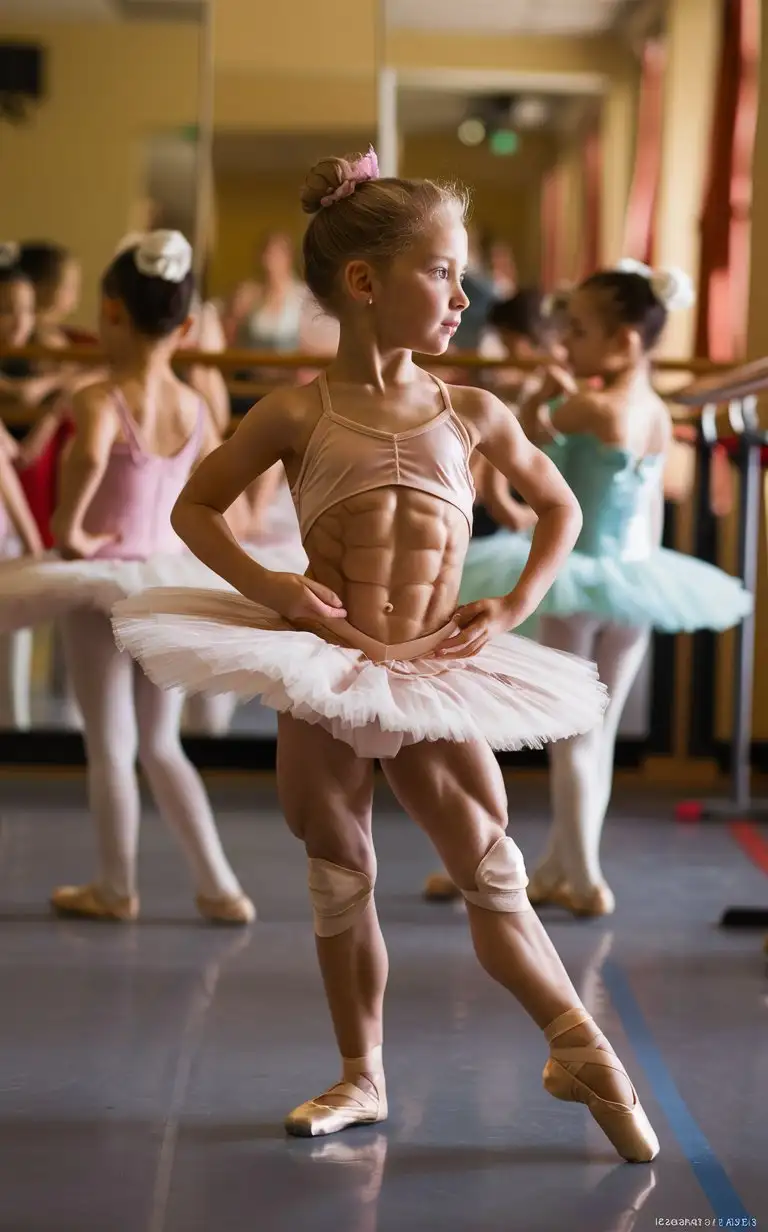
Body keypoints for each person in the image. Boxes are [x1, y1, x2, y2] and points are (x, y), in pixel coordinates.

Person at [112, 151, 658, 1162]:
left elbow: (560, 504)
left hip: (435, 673)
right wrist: (274, 589)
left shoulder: (472, 411)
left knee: (491, 870)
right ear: (367, 284)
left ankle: (578, 1043)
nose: (462, 295)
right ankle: (361, 1071)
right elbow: (195, 505)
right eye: (442, 273)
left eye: (460, 276)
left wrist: (511, 606)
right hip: (328, 675)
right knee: (340, 870)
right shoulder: (295, 413)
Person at [458, 259, 752, 917]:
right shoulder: (651, 408)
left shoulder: (588, 406)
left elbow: (528, 439)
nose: (567, 343)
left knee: (572, 733)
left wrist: (541, 394)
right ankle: (563, 864)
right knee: (602, 732)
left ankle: (586, 874)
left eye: (580, 332)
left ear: (624, 342)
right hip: (639, 576)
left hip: (579, 577)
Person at [0, 231, 254, 924]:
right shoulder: (195, 407)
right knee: (161, 743)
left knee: (108, 743)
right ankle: (220, 886)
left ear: (110, 312)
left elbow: (79, 484)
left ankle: (115, 886)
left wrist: (73, 536)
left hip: (103, 584)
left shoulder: (97, 399)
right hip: (165, 577)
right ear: (188, 325)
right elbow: (209, 496)